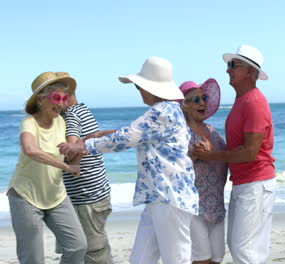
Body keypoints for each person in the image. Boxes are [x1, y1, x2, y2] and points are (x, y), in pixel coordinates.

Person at [58, 57, 199, 264]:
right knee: (140, 260)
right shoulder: (167, 111)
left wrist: (82, 146)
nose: (139, 91)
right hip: (158, 198)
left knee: (176, 259)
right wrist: (105, 133)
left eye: (139, 86)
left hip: (169, 197)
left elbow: (128, 137)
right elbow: (139, 133)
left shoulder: (161, 112)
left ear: (151, 87)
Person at [193, 44, 276, 264]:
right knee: (243, 248)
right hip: (245, 183)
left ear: (250, 71)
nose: (228, 70)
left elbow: (250, 151)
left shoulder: (254, 102)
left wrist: (211, 156)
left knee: (244, 249)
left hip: (255, 183)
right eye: (229, 65)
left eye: (233, 65)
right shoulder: (242, 100)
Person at [7, 72, 87, 263]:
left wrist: (78, 153)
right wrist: (65, 167)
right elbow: (30, 149)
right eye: (56, 98)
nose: (61, 103)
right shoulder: (29, 122)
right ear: (41, 100)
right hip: (26, 196)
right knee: (33, 258)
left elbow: (68, 154)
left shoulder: (61, 122)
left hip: (56, 196)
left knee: (78, 246)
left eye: (64, 98)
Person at [59, 87, 114, 263]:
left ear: (64, 98)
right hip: (98, 193)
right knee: (89, 249)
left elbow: (70, 149)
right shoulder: (83, 109)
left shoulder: (70, 115)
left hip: (84, 197)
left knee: (91, 252)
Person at [179, 79, 228, 264]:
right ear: (184, 106)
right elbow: (172, 168)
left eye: (204, 97)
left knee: (217, 257)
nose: (202, 102)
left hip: (216, 204)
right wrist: (193, 156)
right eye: (196, 99)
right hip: (193, 206)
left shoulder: (212, 131)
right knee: (201, 259)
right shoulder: (181, 133)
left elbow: (223, 158)